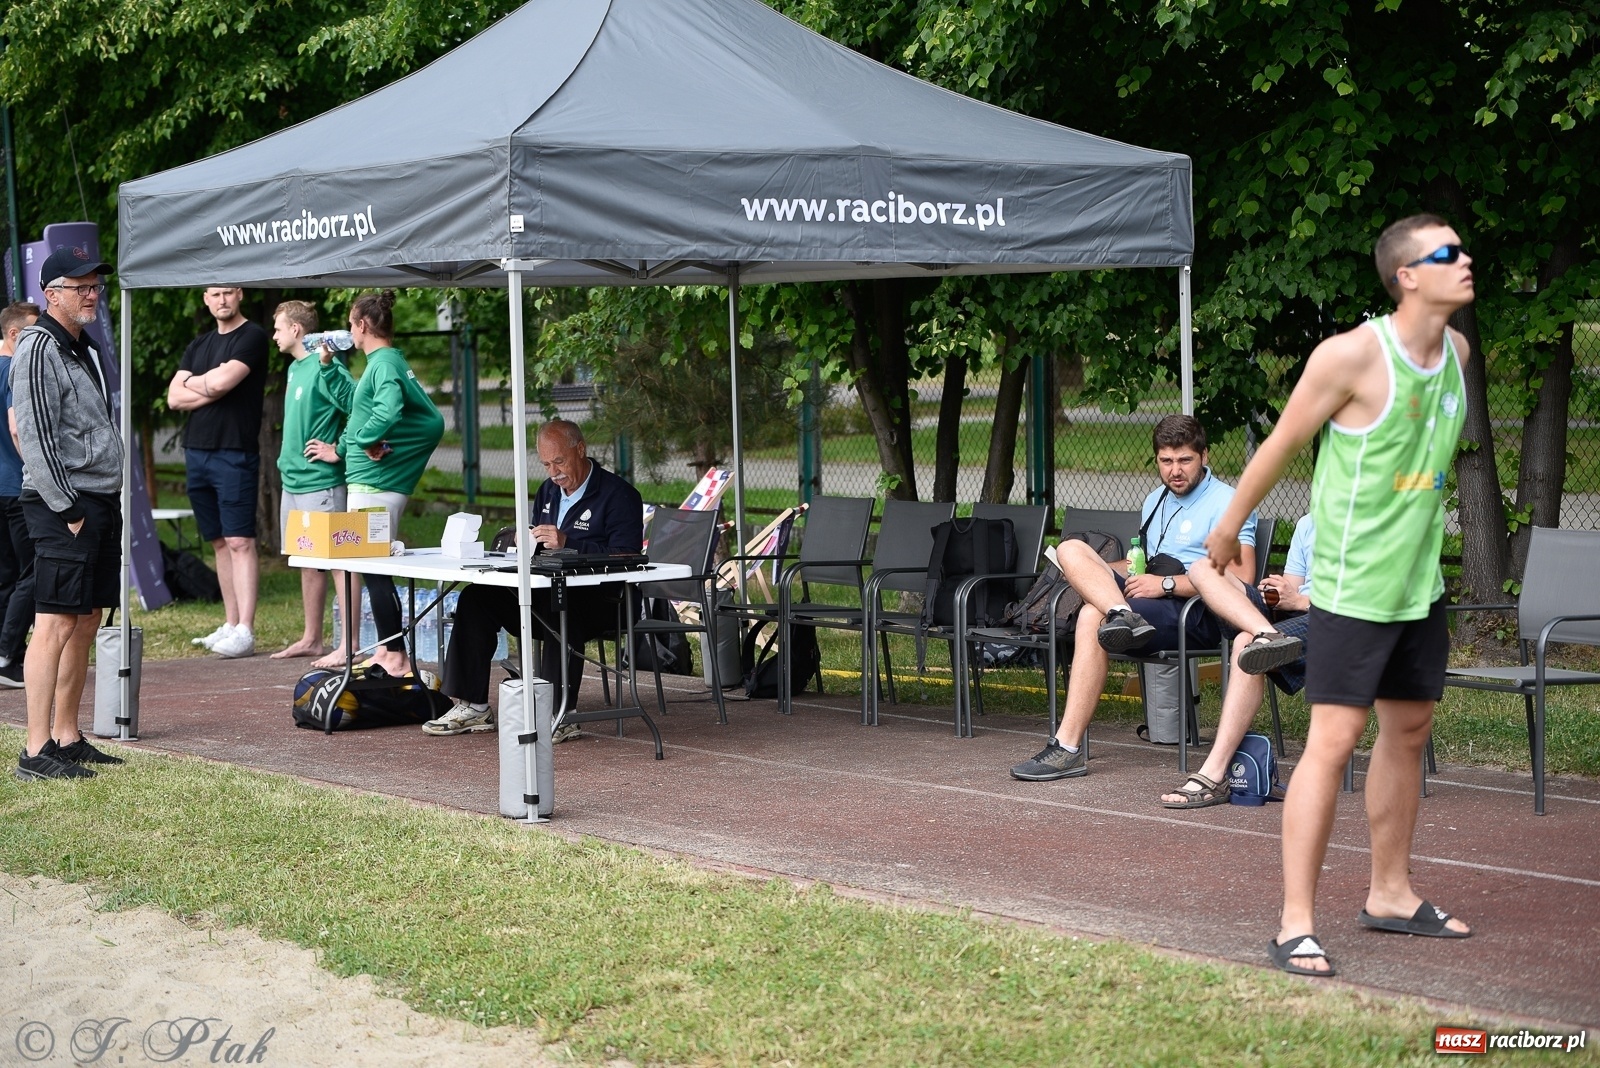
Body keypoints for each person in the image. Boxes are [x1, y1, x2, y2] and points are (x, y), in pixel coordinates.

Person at [1204, 214, 1474, 978]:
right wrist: (1225, 533)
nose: (1467, 261)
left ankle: (1389, 892)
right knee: (1332, 740)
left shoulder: (1455, 353)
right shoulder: (1351, 356)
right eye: (1447, 253)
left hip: (1418, 586)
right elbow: (1282, 444)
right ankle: (1295, 923)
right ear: (1407, 276)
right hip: (1350, 589)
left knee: (1410, 729)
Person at [1010, 414, 1260, 780]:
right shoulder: (1155, 500)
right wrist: (1098, 571)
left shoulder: (1228, 502)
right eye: (1166, 461)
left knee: (1090, 616)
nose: (1175, 471)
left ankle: (1066, 748)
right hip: (1147, 602)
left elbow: (1241, 577)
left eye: (1185, 460)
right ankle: (1120, 613)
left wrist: (1166, 586)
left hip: (1198, 611)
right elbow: (1138, 563)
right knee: (1071, 549)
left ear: (1205, 456)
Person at [422, 419, 643, 738]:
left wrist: (570, 543)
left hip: (606, 599)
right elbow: (538, 548)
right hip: (547, 589)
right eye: (546, 464)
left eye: (560, 461)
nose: (554, 472)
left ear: (580, 449)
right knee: (477, 597)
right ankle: (473, 706)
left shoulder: (618, 495)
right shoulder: (548, 492)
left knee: (560, 606)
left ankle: (559, 714)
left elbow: (627, 556)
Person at [10, 248, 126, 779]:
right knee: (54, 621)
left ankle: (67, 735)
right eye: (78, 285)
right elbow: (32, 433)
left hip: (95, 500)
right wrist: (68, 507)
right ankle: (35, 752)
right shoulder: (38, 347)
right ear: (49, 294)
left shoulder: (83, 347)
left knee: (85, 621)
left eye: (95, 285)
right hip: (65, 504)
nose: (91, 293)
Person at [303, 290, 444, 678]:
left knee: (374, 569)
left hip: (376, 484)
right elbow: (359, 406)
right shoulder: (385, 362)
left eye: (351, 323)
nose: (349, 330)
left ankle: (394, 655)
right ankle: (388, 649)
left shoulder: (383, 364)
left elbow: (387, 408)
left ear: (362, 326)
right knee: (372, 567)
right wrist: (329, 366)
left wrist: (365, 441)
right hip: (371, 482)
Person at [1161, 514, 1315, 809]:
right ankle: (1266, 633)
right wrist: (1279, 594)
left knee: (1247, 644)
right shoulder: (1309, 522)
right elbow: (1293, 587)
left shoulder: (1375, 522)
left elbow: (1372, 596)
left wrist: (1300, 602)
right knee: (1203, 567)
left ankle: (1214, 773)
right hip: (1291, 615)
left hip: (1337, 617)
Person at [167, 286, 270, 659]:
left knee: (240, 541)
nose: (222, 300)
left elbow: (222, 383)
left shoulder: (253, 337)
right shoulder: (200, 345)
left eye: (228, 292)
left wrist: (202, 383)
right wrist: (209, 384)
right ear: (206, 300)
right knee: (218, 542)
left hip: (234, 452)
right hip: (197, 451)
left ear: (239, 295)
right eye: (215, 294)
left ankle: (246, 629)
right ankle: (230, 623)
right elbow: (173, 397)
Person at [269, 300, 354, 659]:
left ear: (295, 330)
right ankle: (311, 638)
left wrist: (339, 448)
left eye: (277, 328)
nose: (273, 335)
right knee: (306, 560)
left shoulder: (327, 366)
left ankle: (348, 644)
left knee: (338, 561)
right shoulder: (294, 369)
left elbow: (360, 407)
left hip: (321, 481)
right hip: (293, 480)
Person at [0, 301, 41, 688]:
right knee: (32, 573)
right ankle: (9, 654)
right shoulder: (16, 369)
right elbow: (17, 427)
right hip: (16, 484)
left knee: (6, 574)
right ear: (15, 334)